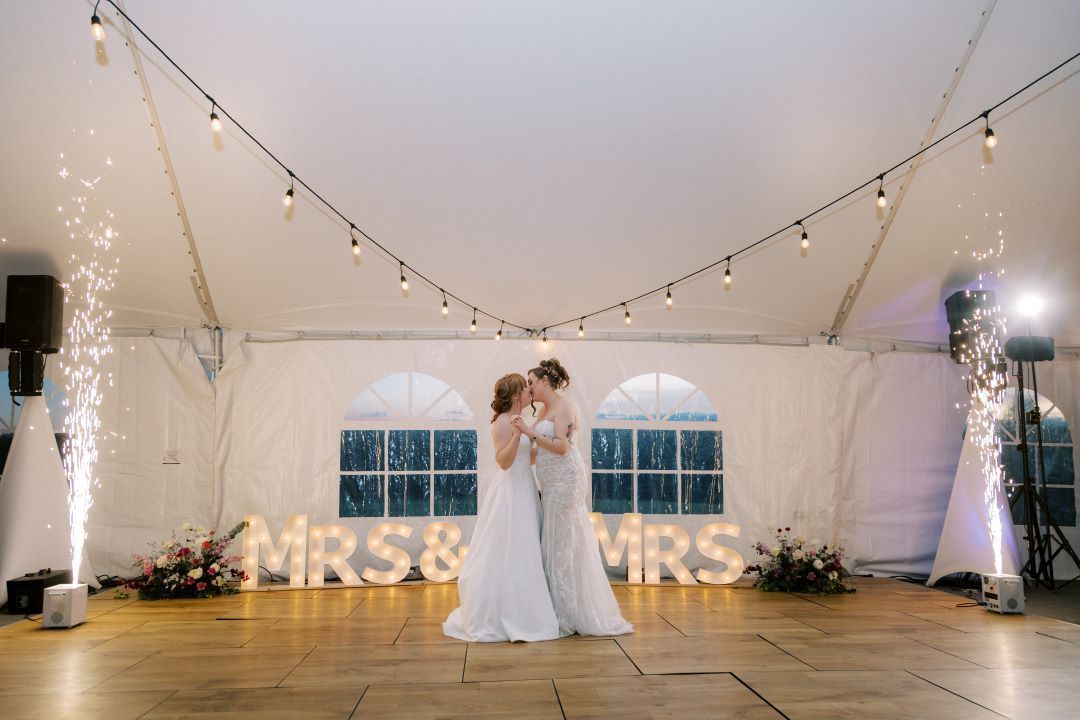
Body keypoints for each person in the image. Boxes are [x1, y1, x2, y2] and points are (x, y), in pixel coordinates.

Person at [511, 358, 633, 637]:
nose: (528, 387)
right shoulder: (542, 411)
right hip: (550, 480)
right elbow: (539, 451)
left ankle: (568, 613)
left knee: (563, 540)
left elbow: (561, 447)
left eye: (531, 382)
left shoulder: (565, 406)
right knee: (553, 538)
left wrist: (528, 432)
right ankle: (556, 604)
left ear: (544, 382)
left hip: (566, 479)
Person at [443, 373, 560, 642]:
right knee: (510, 546)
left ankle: (526, 605)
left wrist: (548, 450)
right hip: (510, 490)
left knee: (525, 545)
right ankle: (506, 613)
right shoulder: (503, 422)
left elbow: (526, 457)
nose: (530, 391)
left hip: (525, 486)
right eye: (525, 387)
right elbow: (504, 462)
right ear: (517, 395)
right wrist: (519, 433)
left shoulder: (521, 420)